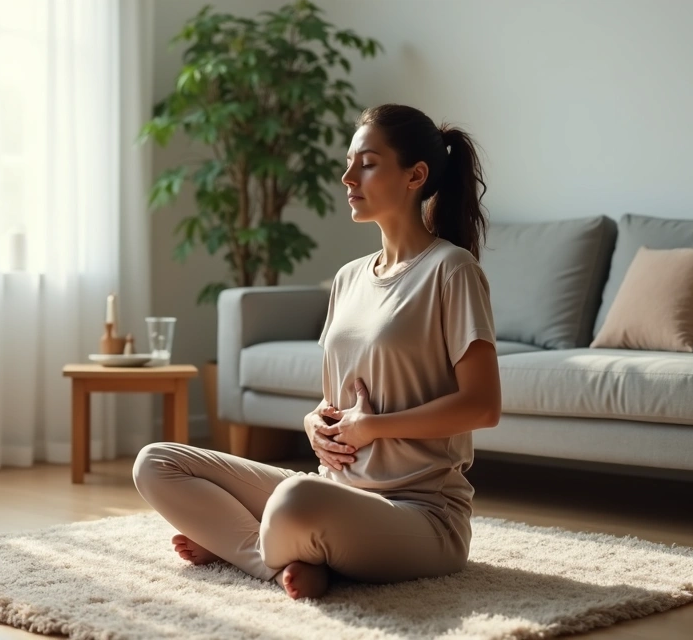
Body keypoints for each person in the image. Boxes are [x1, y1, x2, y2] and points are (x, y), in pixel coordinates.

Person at [133, 104, 502, 600]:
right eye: (349, 161)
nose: (347, 176)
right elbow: (338, 398)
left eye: (367, 163)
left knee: (293, 499)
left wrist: (371, 428)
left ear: (415, 175)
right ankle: (275, 557)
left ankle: (252, 549)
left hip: (420, 514)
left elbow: (482, 405)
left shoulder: (451, 270)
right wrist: (314, 422)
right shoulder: (349, 277)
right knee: (156, 462)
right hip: (335, 488)